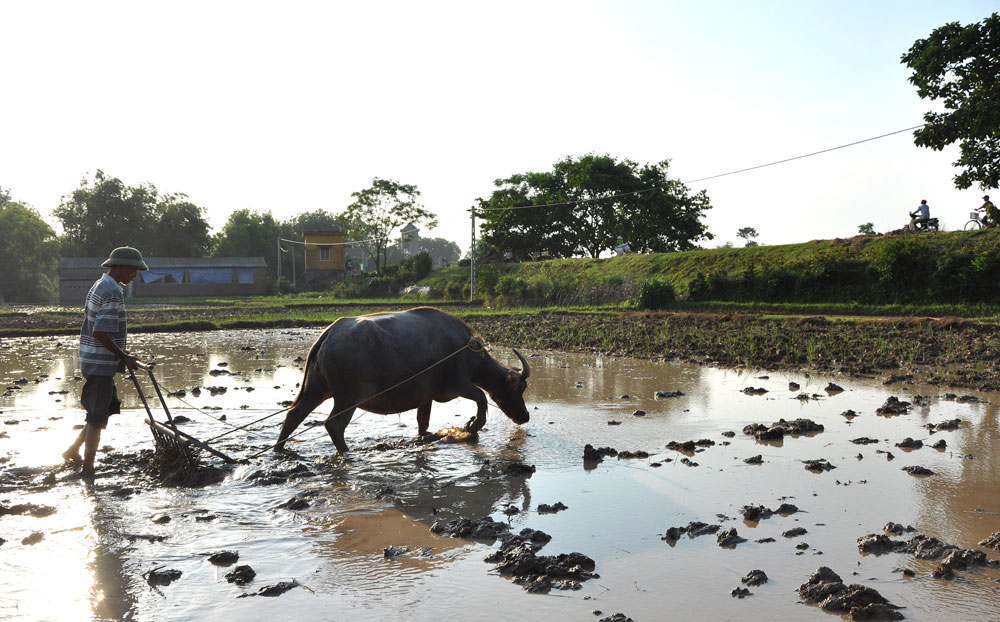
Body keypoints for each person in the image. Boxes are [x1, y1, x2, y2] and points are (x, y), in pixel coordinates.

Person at [62, 246, 147, 477]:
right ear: (120, 267)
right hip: (100, 363)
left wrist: (122, 357)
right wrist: (125, 357)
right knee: (97, 416)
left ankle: (72, 450)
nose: (134, 276)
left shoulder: (101, 284)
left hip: (94, 359)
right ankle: (88, 468)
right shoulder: (112, 292)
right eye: (132, 270)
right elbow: (100, 331)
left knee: (100, 411)